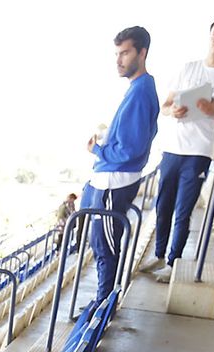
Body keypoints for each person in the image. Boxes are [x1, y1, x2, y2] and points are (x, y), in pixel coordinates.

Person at [144, 16, 214, 282]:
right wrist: (172, 111)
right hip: (172, 148)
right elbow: (165, 106)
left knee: (183, 210)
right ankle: (159, 253)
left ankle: (173, 261)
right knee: (163, 205)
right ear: (208, 34)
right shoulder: (188, 68)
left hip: (198, 151)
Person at [84, 27, 159, 306]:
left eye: (125, 53)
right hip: (108, 179)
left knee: (106, 247)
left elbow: (132, 147)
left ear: (142, 52)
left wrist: (99, 149)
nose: (119, 60)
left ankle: (104, 305)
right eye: (117, 53)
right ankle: (102, 302)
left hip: (115, 182)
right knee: (100, 244)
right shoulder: (138, 89)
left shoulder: (141, 91)